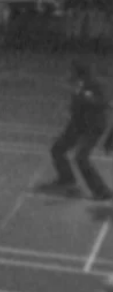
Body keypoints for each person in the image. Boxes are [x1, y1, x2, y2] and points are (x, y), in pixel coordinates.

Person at [35, 60, 111, 200]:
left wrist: (87, 97)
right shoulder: (77, 84)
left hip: (93, 127)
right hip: (78, 124)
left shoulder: (95, 85)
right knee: (57, 149)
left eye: (72, 70)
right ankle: (67, 179)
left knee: (81, 158)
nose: (70, 73)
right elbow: (76, 104)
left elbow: (103, 102)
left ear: (79, 72)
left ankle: (102, 191)